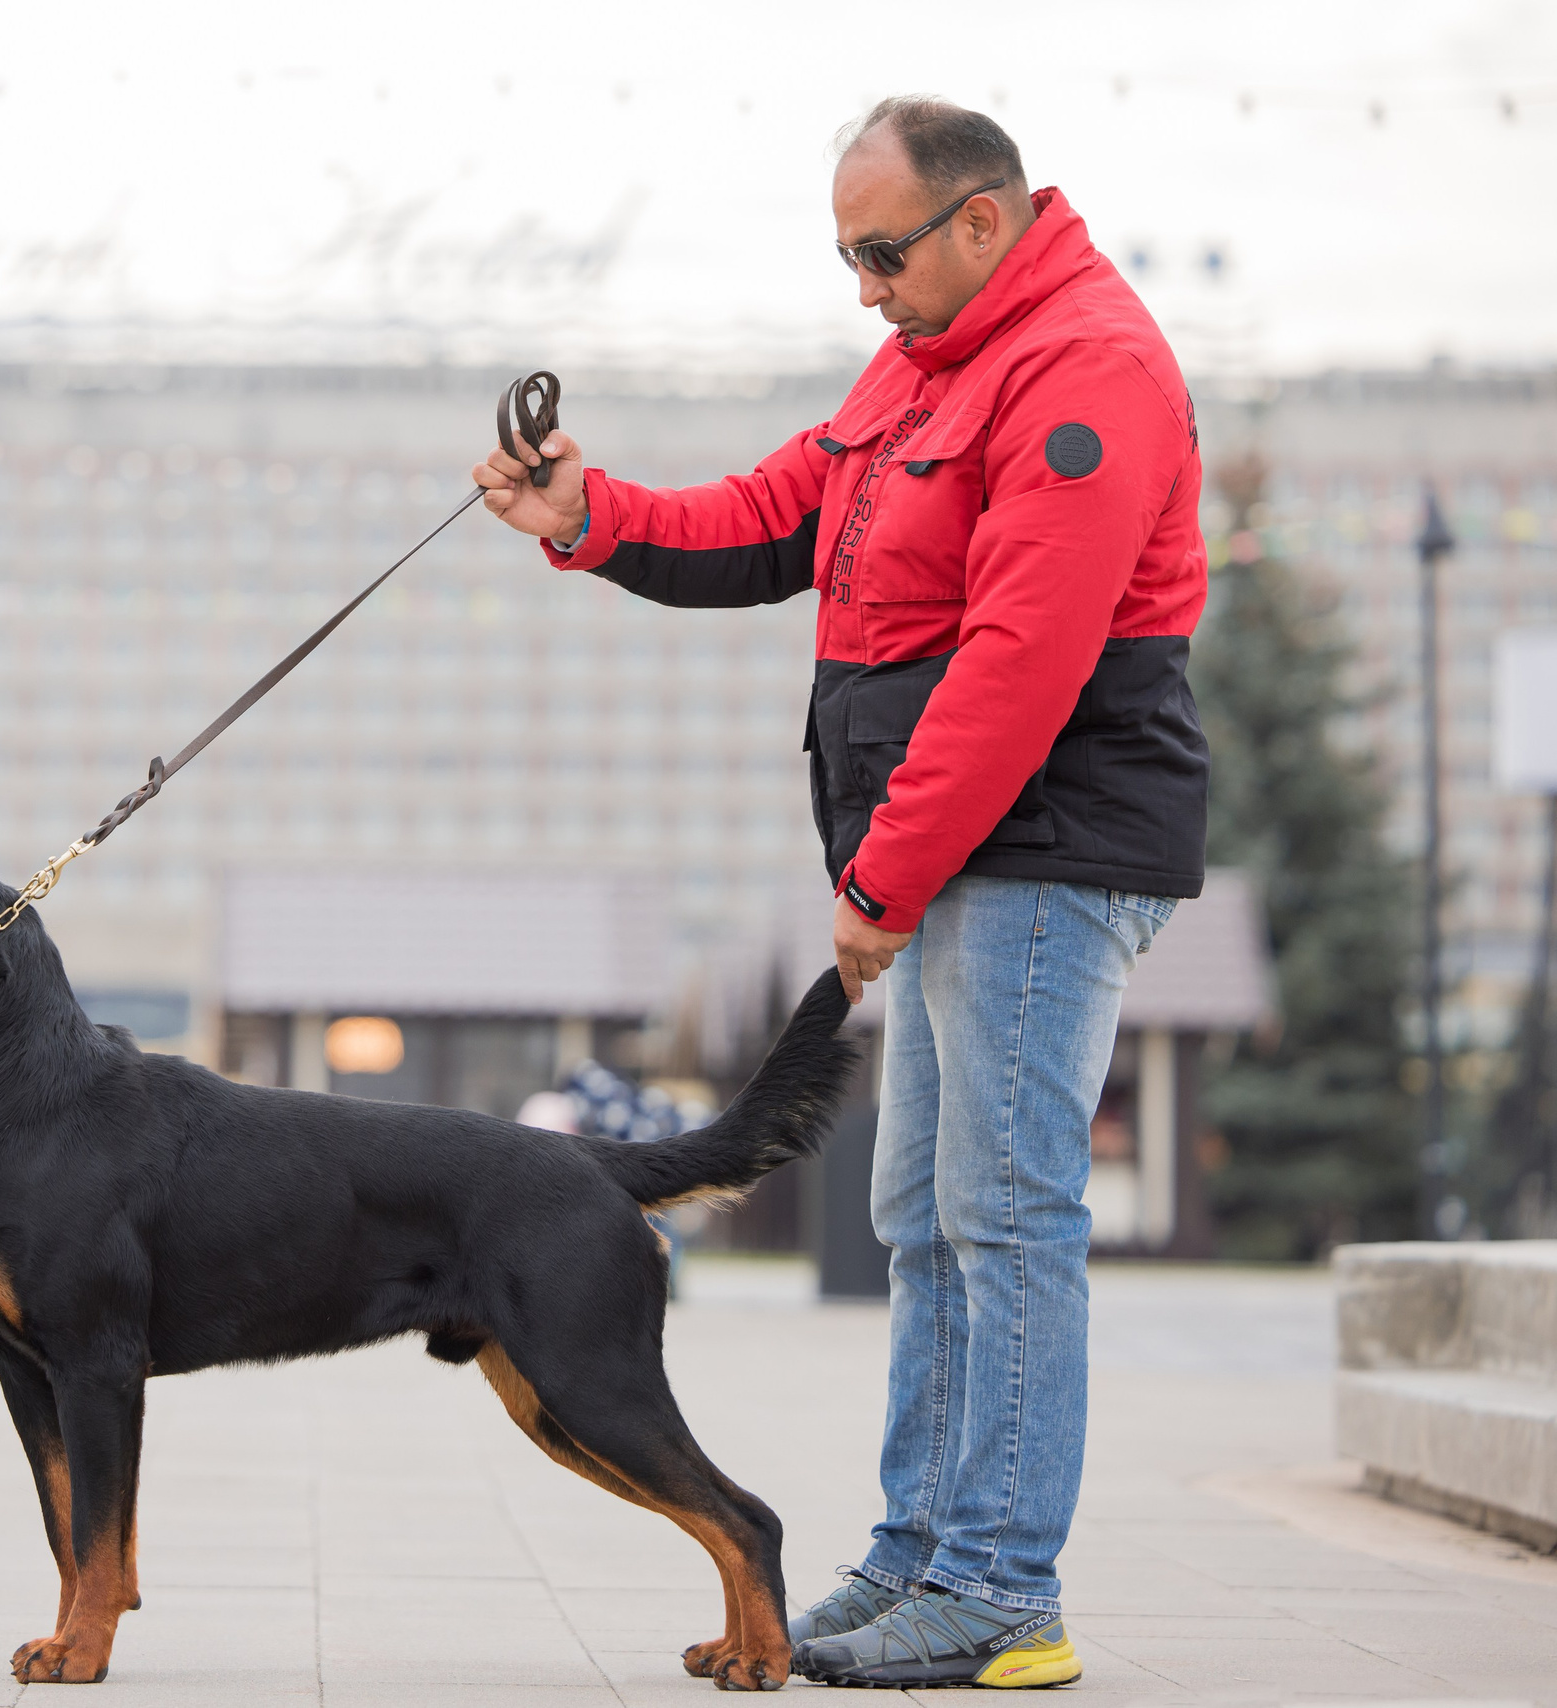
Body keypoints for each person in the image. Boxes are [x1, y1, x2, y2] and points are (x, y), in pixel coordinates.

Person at [475, 96, 1204, 1690]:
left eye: (883, 255)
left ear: (984, 220)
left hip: (1042, 845)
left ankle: (1005, 1591)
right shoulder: (928, 362)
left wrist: (883, 876)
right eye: (847, 259)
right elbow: (774, 514)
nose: (864, 291)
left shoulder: (1084, 368)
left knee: (1005, 1216)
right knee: (922, 1216)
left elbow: (1021, 665)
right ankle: (917, 1559)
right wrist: (591, 516)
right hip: (961, 853)